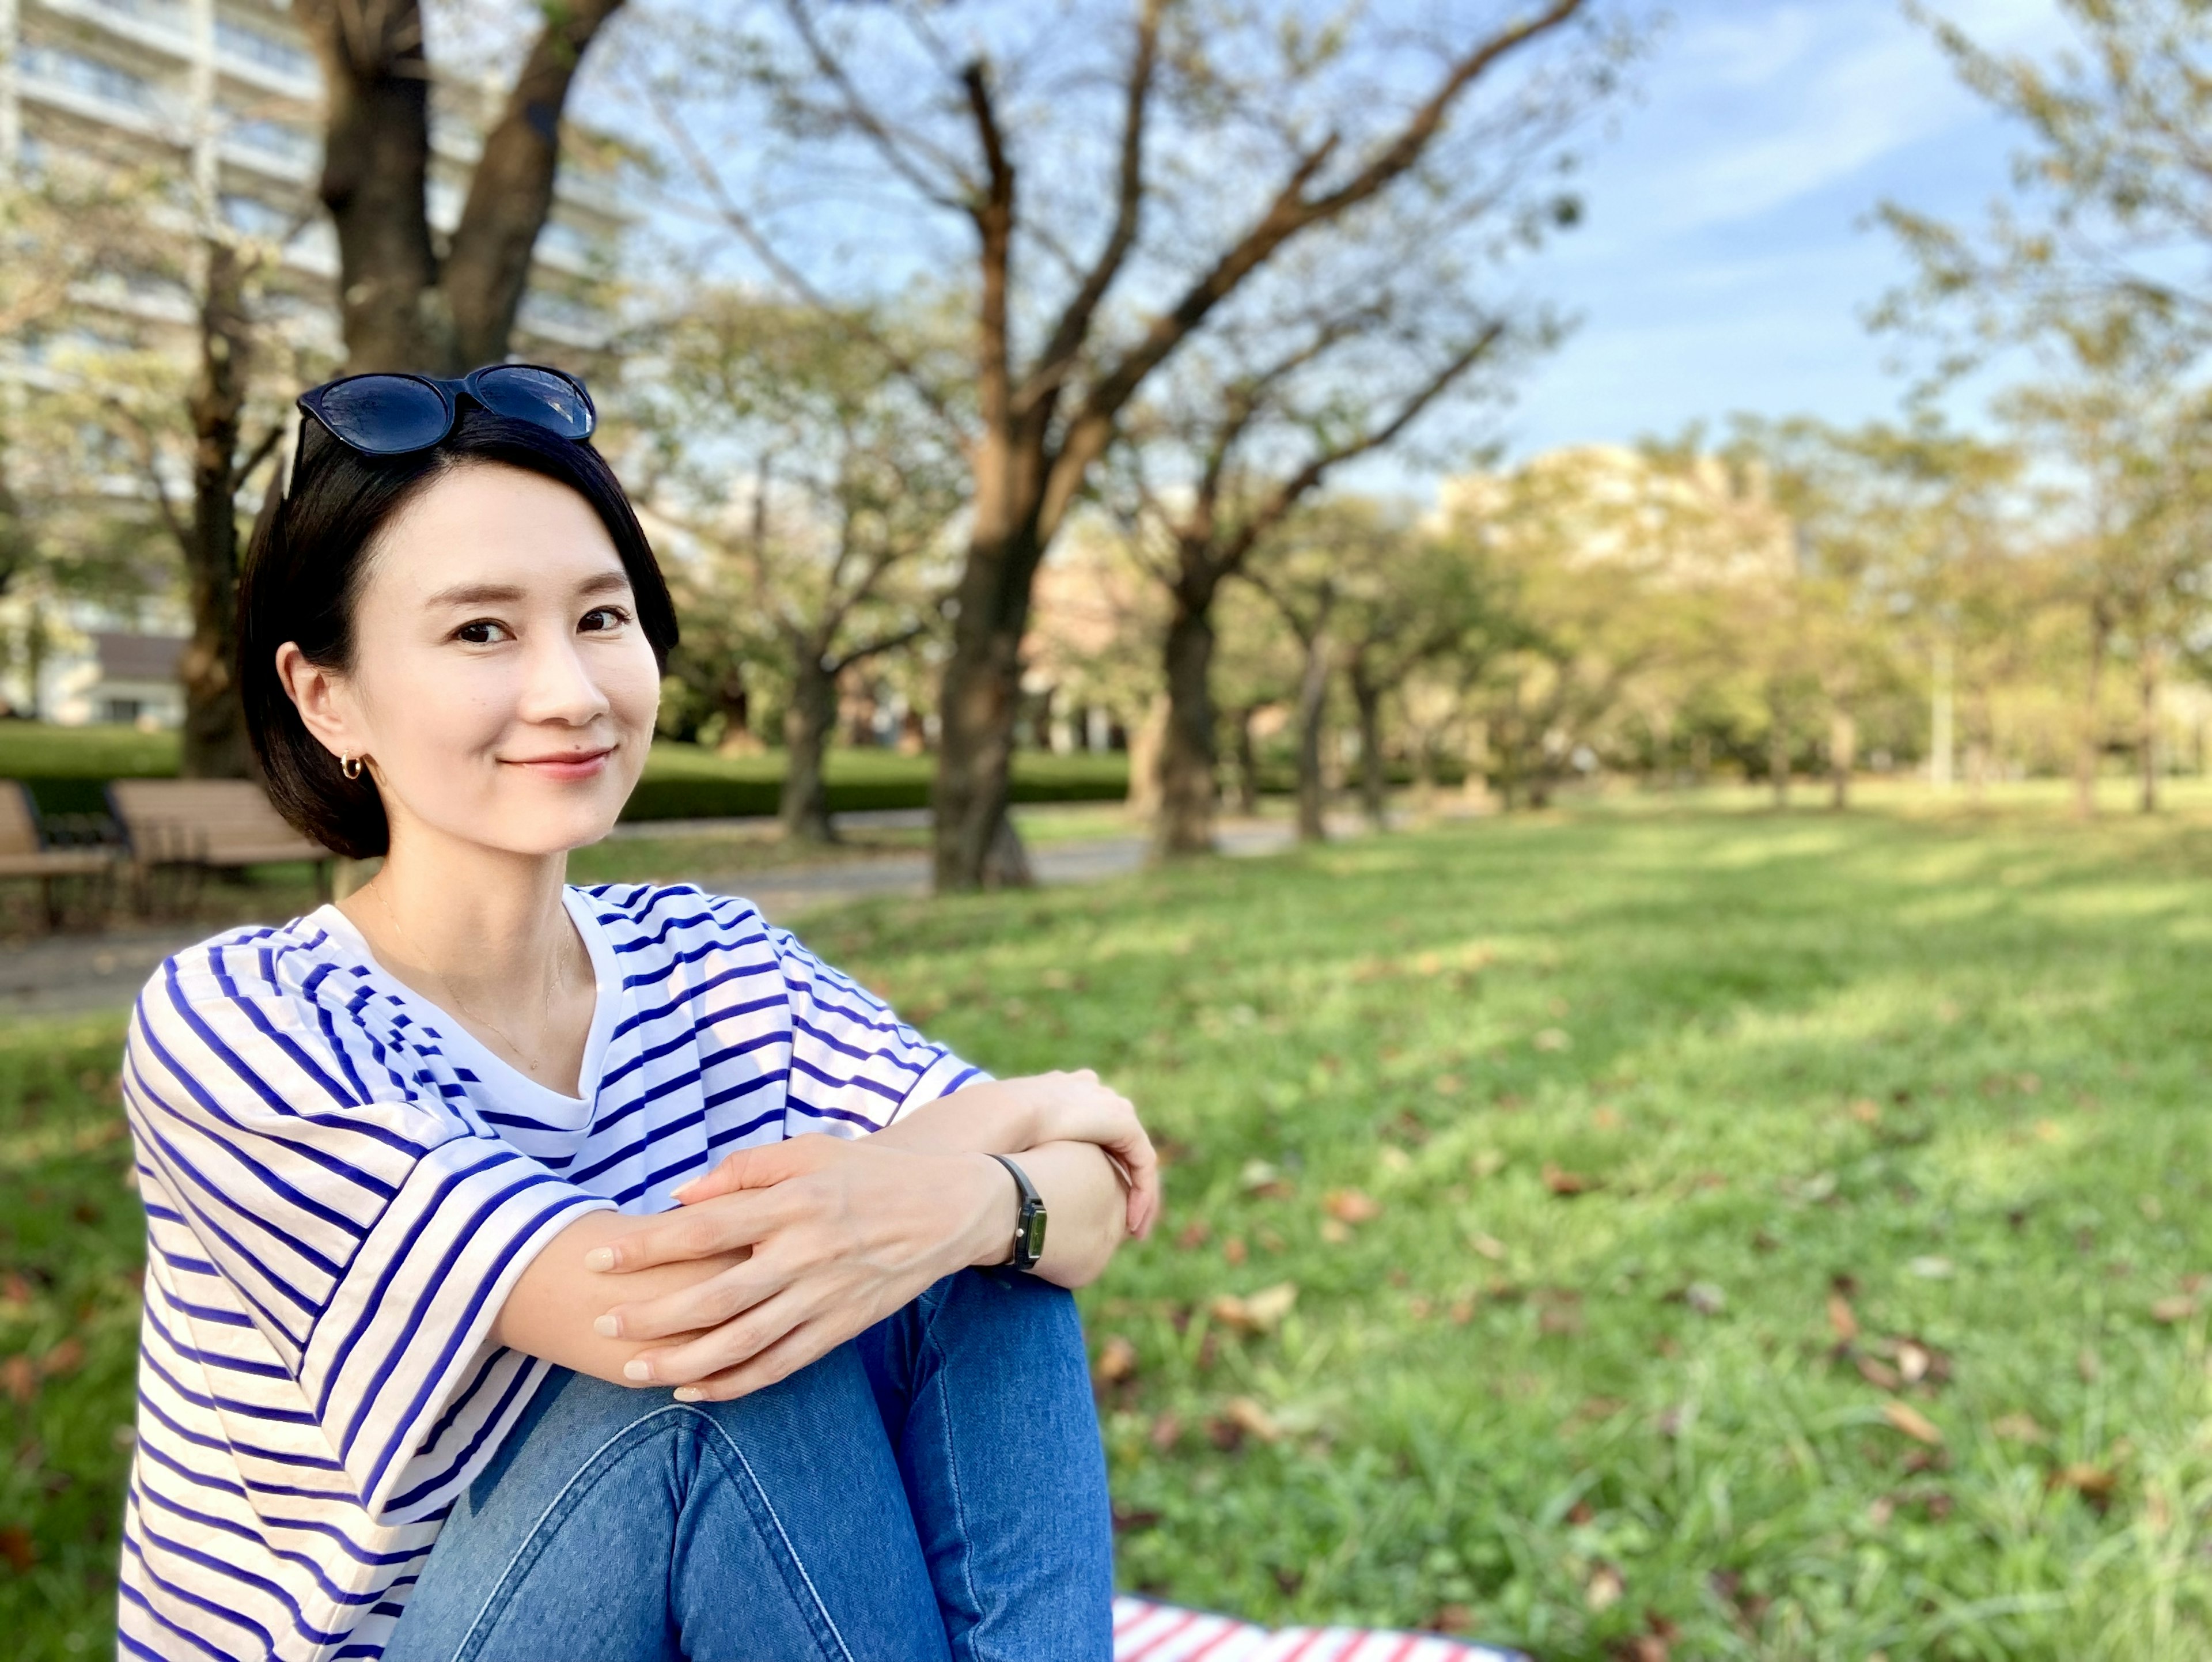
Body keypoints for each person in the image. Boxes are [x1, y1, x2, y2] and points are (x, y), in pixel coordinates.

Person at [115, 365, 1159, 1662]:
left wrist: (968, 1204)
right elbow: (668, 1323)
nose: (571, 690)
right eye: (481, 632)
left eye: (601, 617)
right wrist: (1021, 1135)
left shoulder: (704, 954)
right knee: (716, 1382)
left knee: (984, 1275)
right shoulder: (241, 1020)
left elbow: (1096, 1199)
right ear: (327, 695)